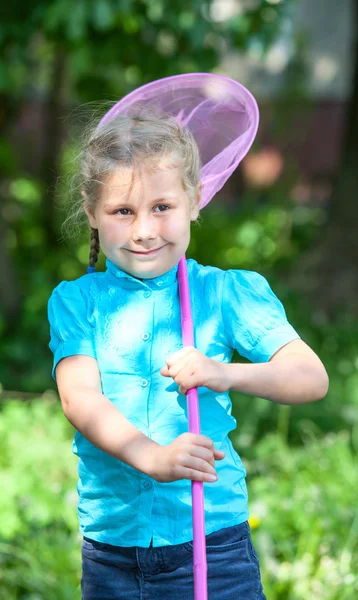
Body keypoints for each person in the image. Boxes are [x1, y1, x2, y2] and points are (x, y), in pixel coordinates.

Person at [48, 99, 329, 600]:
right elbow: (80, 400)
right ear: (92, 212)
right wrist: (151, 457)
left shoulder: (224, 293)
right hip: (114, 549)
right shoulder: (78, 302)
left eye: (162, 207)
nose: (143, 230)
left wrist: (225, 373)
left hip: (212, 542)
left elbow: (310, 377)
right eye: (122, 211)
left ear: (195, 200)